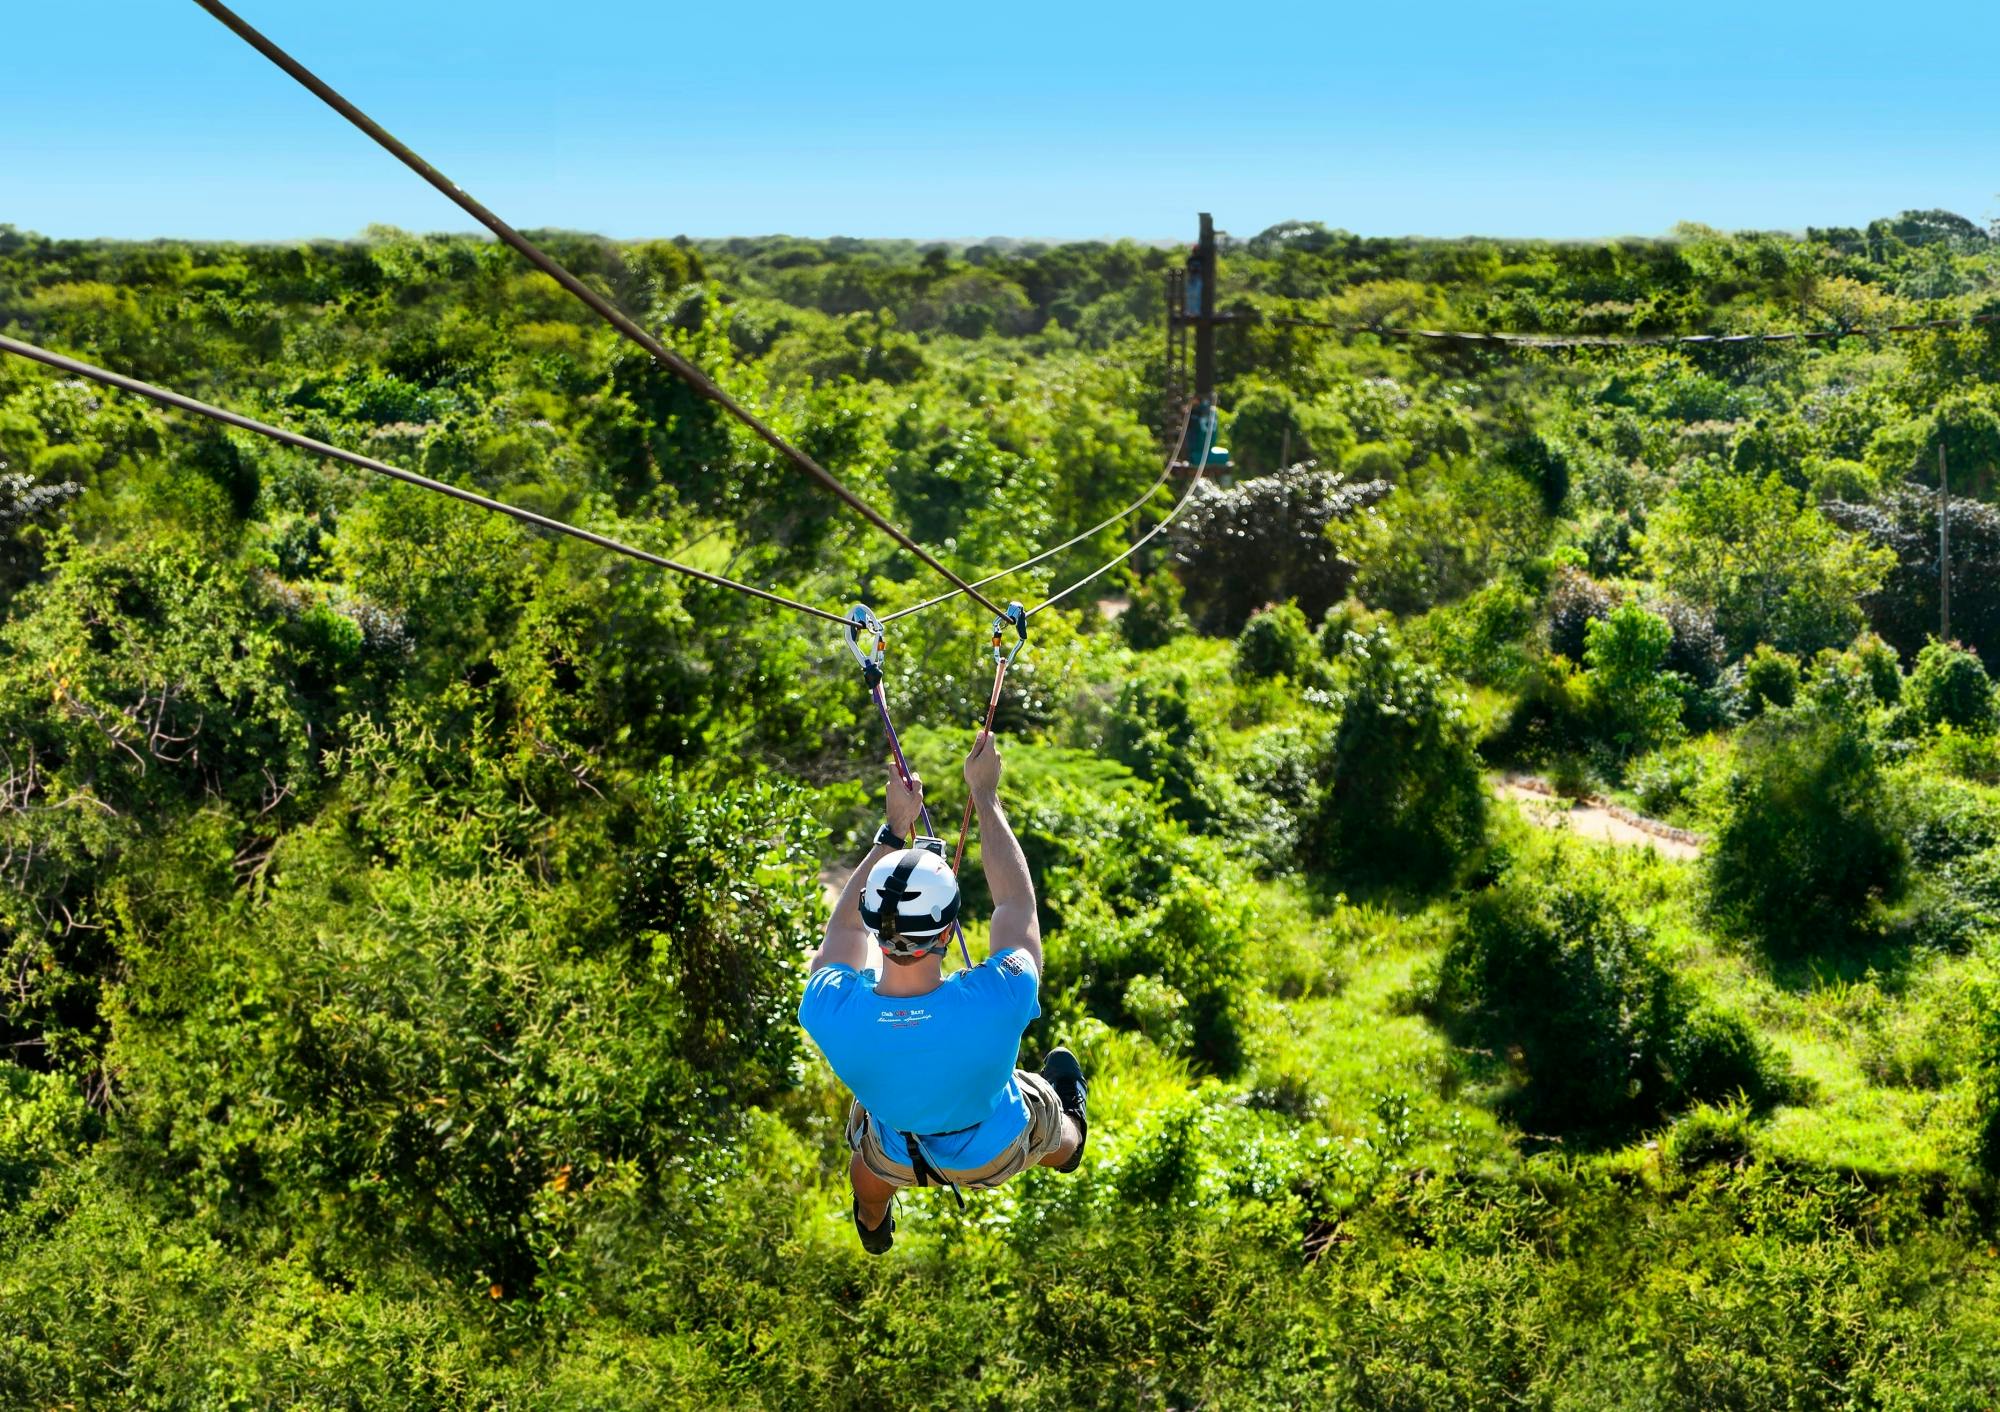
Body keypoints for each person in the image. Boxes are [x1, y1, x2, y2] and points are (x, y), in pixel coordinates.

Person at [798, 737, 1087, 1254]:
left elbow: (840, 938)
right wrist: (985, 796)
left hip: (896, 1146)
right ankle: (1070, 1145)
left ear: (874, 929)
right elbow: (1016, 906)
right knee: (1046, 1119)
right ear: (948, 933)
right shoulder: (998, 998)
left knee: (867, 1161)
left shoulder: (829, 1009)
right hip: (993, 1149)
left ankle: (872, 1217)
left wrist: (890, 835)